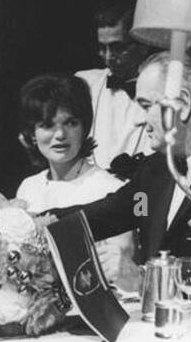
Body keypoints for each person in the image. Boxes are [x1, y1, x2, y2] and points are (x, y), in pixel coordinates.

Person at [47, 52, 191, 297]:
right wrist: (30, 222)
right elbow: (104, 216)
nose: (140, 120)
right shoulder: (155, 171)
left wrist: (144, 282)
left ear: (182, 105)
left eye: (147, 106)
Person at [15, 73, 133, 276]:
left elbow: (122, 269)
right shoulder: (28, 187)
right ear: (33, 135)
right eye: (47, 125)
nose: (60, 134)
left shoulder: (111, 189)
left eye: (70, 123)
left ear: (84, 127)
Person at [75, 0, 152, 180]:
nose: (108, 57)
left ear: (143, 45)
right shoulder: (84, 83)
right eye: (103, 48)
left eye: (118, 48)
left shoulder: (164, 89)